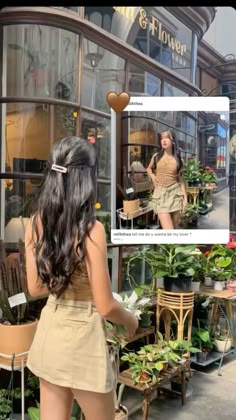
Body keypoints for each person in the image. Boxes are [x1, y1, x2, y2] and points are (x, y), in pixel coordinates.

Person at [25, 136, 139, 420]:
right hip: (84, 341)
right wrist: (131, 321)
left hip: (51, 333)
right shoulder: (91, 229)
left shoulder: (36, 223)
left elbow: (35, 288)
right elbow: (105, 305)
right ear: (86, 178)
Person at [146, 129, 188, 229]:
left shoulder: (179, 160)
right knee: (169, 230)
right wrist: (152, 176)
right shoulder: (156, 157)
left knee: (172, 230)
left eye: (167, 138)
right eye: (162, 138)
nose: (164, 140)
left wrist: (185, 198)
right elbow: (148, 168)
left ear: (172, 141)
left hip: (175, 195)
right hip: (161, 194)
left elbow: (181, 180)